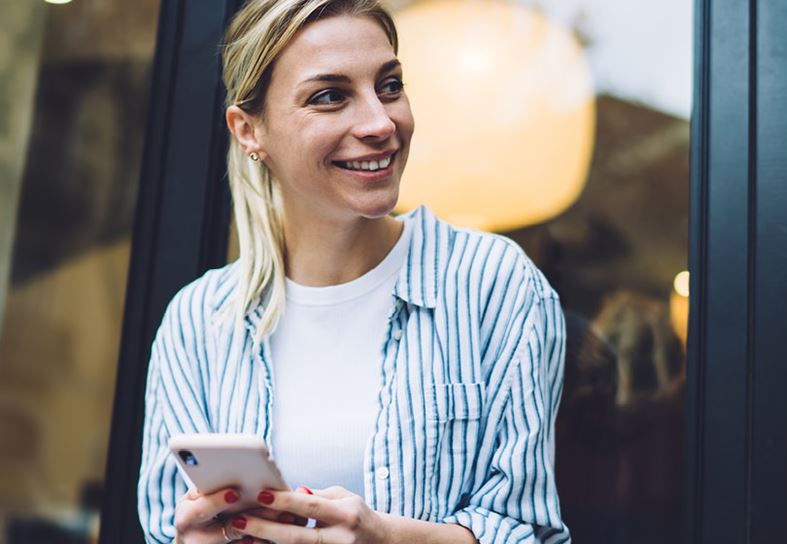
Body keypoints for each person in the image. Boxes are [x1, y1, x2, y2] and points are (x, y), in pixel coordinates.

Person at [136, 1, 569, 543]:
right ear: (250, 131)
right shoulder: (199, 322)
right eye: (330, 96)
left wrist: (387, 539)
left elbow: (527, 531)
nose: (380, 122)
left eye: (389, 86)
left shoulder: (493, 287)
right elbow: (161, 528)